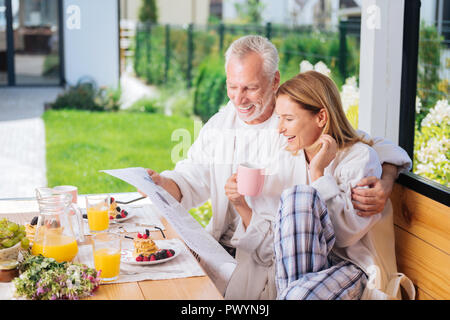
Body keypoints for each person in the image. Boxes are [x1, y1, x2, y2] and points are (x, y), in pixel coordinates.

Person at [144, 35, 411, 299]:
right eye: (232, 86)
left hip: (276, 252)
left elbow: (363, 144)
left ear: (274, 81)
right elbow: (190, 176)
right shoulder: (221, 124)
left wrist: (386, 180)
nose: (239, 99)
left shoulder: (295, 125)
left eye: (249, 88)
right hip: (229, 246)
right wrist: (162, 184)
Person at [272, 71, 414, 300]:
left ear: (321, 117)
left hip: (352, 265)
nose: (280, 128)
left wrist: (318, 174)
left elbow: (344, 235)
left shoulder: (359, 157)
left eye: (288, 119)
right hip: (307, 272)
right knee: (297, 294)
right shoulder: (289, 156)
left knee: (298, 295)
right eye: (279, 118)